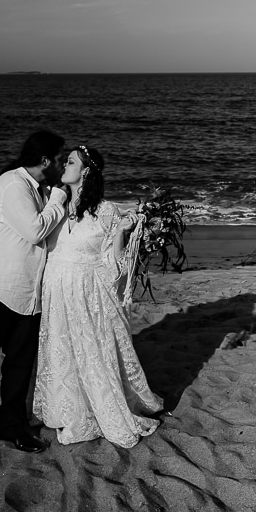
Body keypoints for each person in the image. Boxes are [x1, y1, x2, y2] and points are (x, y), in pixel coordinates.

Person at [33, 145, 163, 448]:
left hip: (86, 290)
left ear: (87, 171)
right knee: (61, 349)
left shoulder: (106, 211)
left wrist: (121, 233)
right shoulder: (56, 205)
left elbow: (114, 266)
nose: (63, 165)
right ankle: (67, 410)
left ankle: (100, 411)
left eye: (71, 162)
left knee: (90, 350)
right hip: (56, 289)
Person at [0, 129, 67, 462]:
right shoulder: (12, 183)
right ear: (45, 160)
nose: (63, 166)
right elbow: (35, 229)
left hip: (28, 293)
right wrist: (60, 199)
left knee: (19, 368)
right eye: (60, 159)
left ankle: (12, 427)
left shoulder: (42, 190)